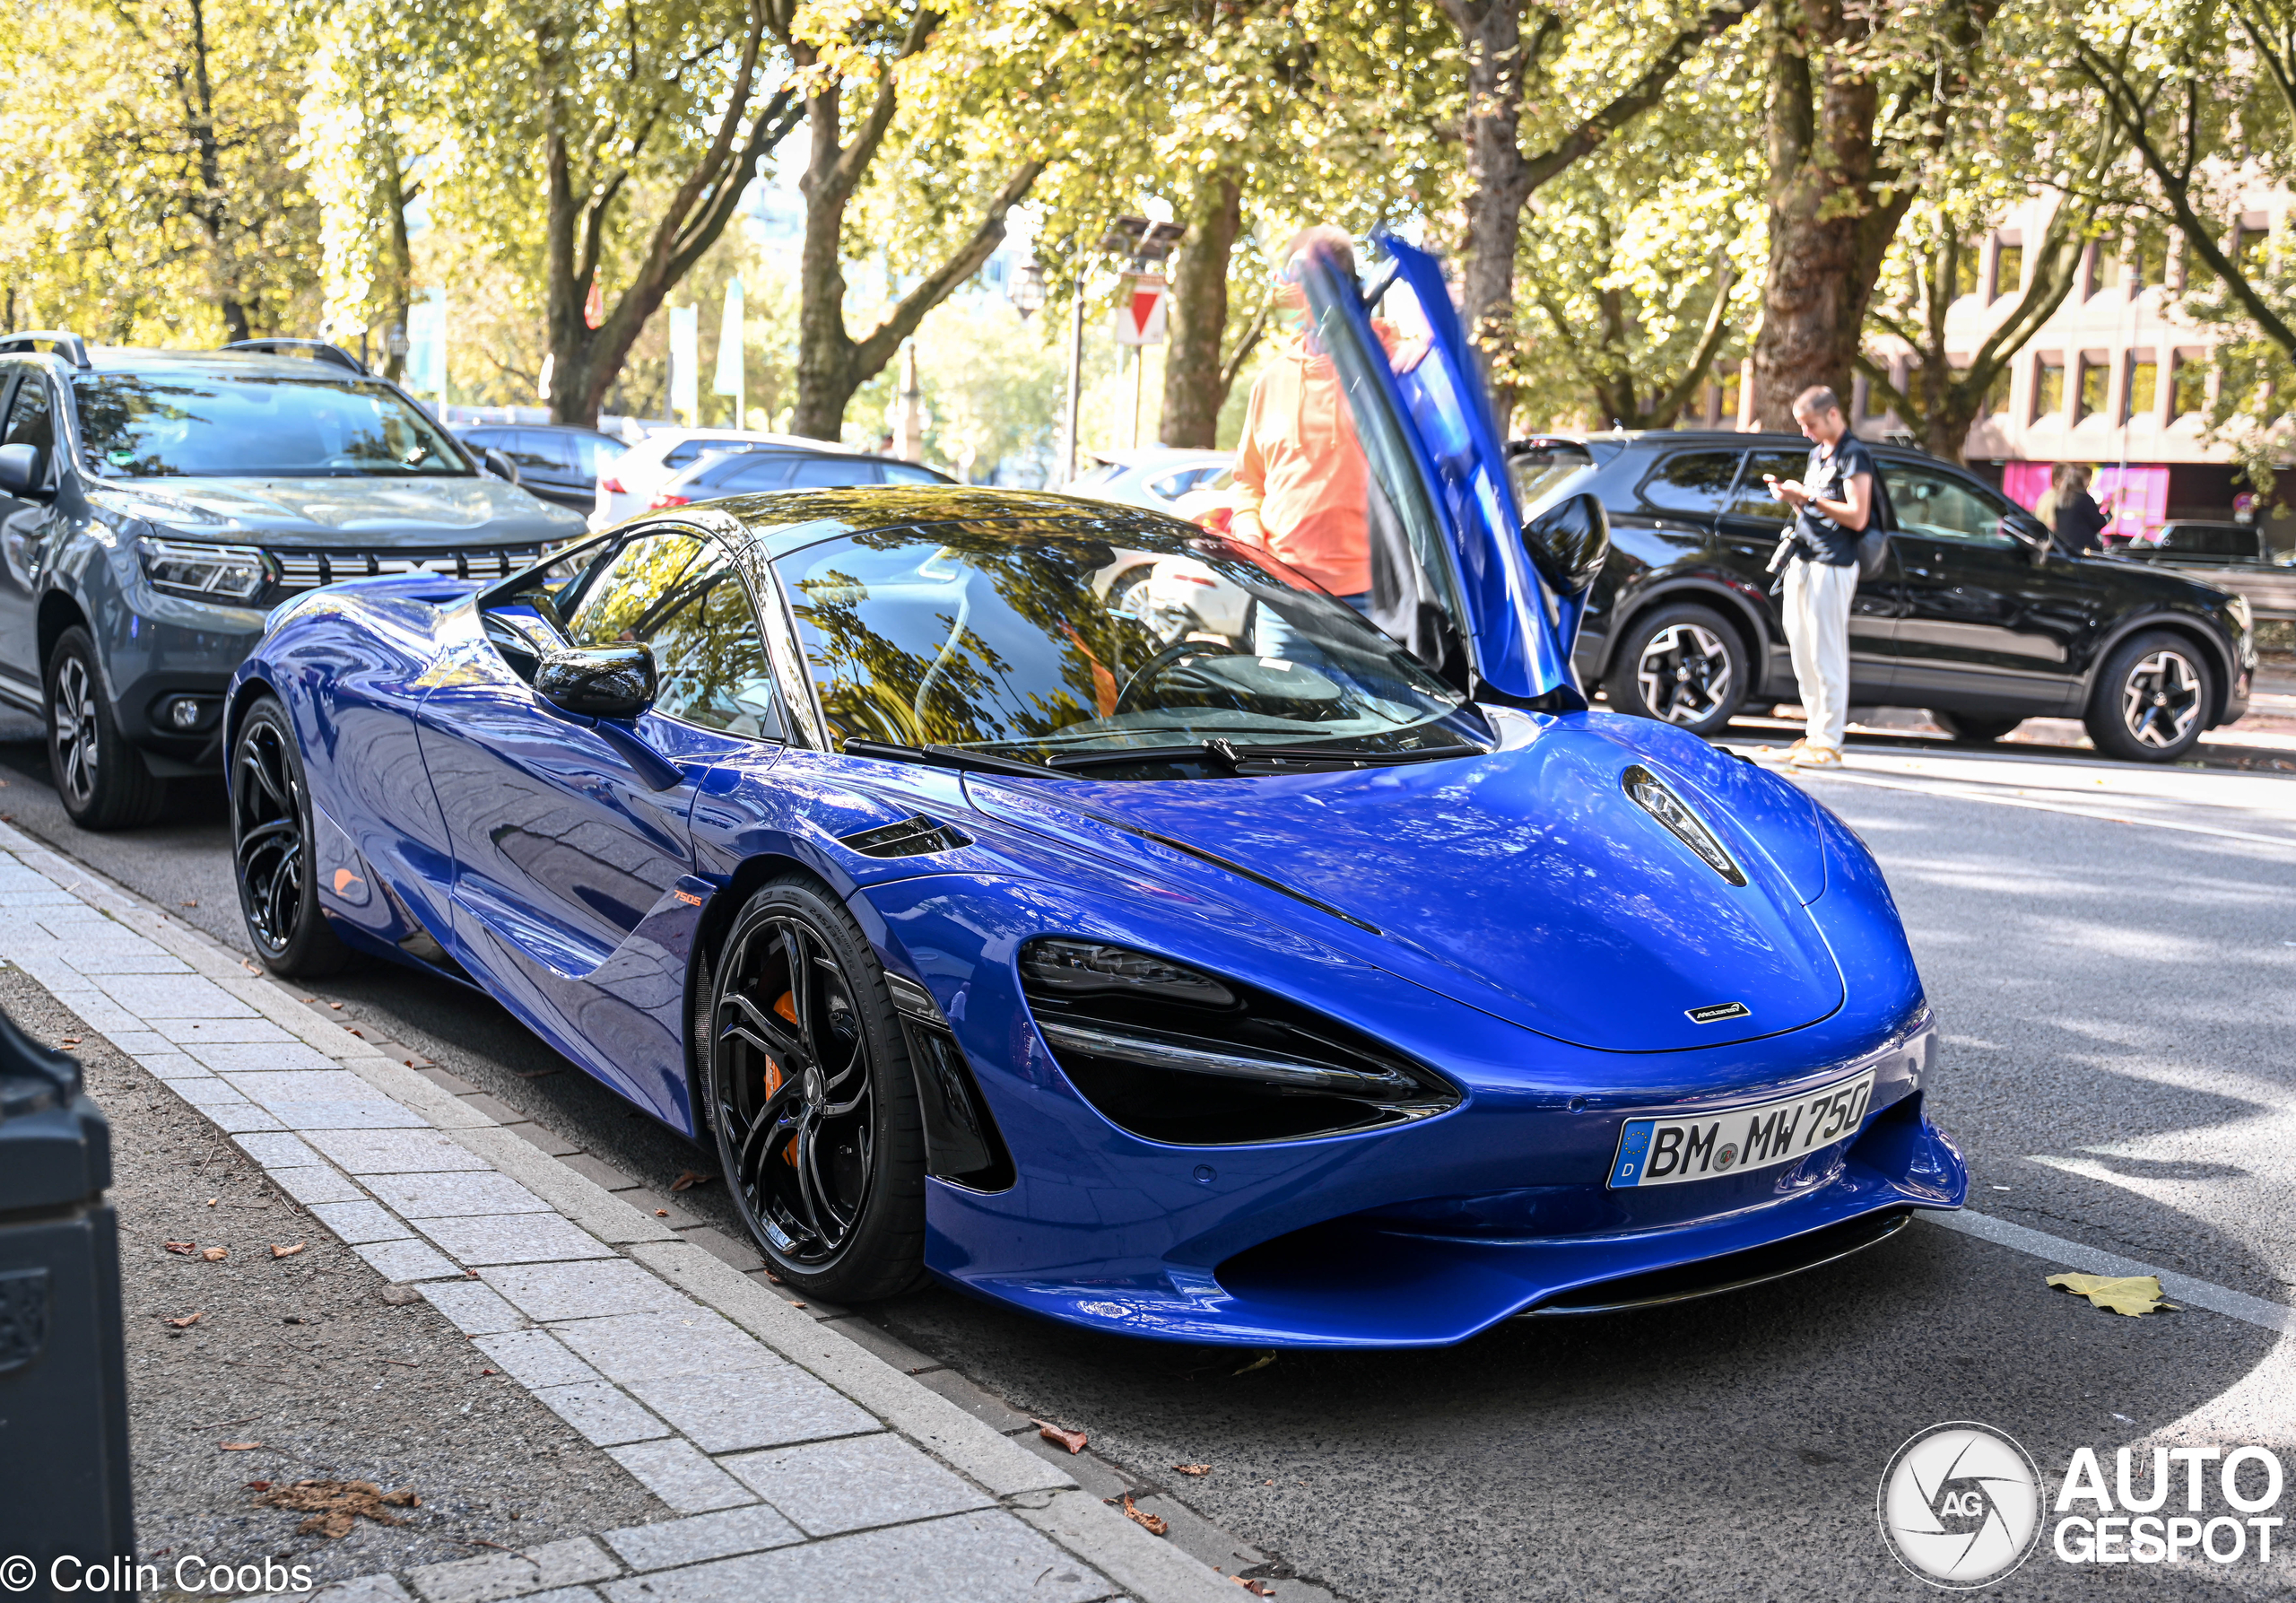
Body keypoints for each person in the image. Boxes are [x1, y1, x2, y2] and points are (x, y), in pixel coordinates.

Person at [1229, 226, 1396, 647]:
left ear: (1344, 287)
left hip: (1372, 605)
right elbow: (1249, 482)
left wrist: (1421, 340)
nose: (1292, 293)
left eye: (1305, 280)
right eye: (1289, 280)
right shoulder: (1271, 379)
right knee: (1284, 715)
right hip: (1283, 600)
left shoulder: (1386, 364)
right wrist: (1250, 538)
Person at [1759, 385, 1874, 771]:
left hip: (1835, 562)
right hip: (1804, 558)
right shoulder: (1817, 453)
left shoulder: (1854, 454)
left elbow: (1857, 515)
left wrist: (1806, 497)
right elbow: (1814, 503)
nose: (1806, 432)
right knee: (1802, 649)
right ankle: (1814, 734)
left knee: (1827, 652)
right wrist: (1791, 495)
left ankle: (1830, 741)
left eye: (1810, 424)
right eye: (1802, 425)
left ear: (1833, 415)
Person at [2053, 464, 2109, 555]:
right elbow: (2099, 522)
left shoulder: (2061, 499)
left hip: (2063, 547)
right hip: (2082, 549)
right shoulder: (2084, 499)